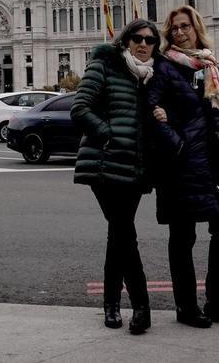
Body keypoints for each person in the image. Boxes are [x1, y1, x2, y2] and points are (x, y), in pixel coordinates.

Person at [147, 5, 219, 328]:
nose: (180, 32)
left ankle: (218, 301)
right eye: (174, 28)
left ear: (196, 28)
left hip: (214, 163)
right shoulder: (163, 67)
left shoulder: (208, 65)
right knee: (183, 237)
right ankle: (187, 307)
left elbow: (217, 110)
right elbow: (151, 110)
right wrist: (176, 143)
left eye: (185, 26)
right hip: (181, 165)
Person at [71, 18, 163, 335]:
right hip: (105, 164)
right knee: (125, 234)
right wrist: (107, 136)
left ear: (155, 46)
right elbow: (80, 107)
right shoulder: (106, 65)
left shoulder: (152, 77)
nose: (142, 44)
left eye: (150, 40)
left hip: (135, 169)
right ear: (125, 41)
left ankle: (110, 304)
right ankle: (141, 306)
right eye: (136, 38)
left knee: (118, 236)